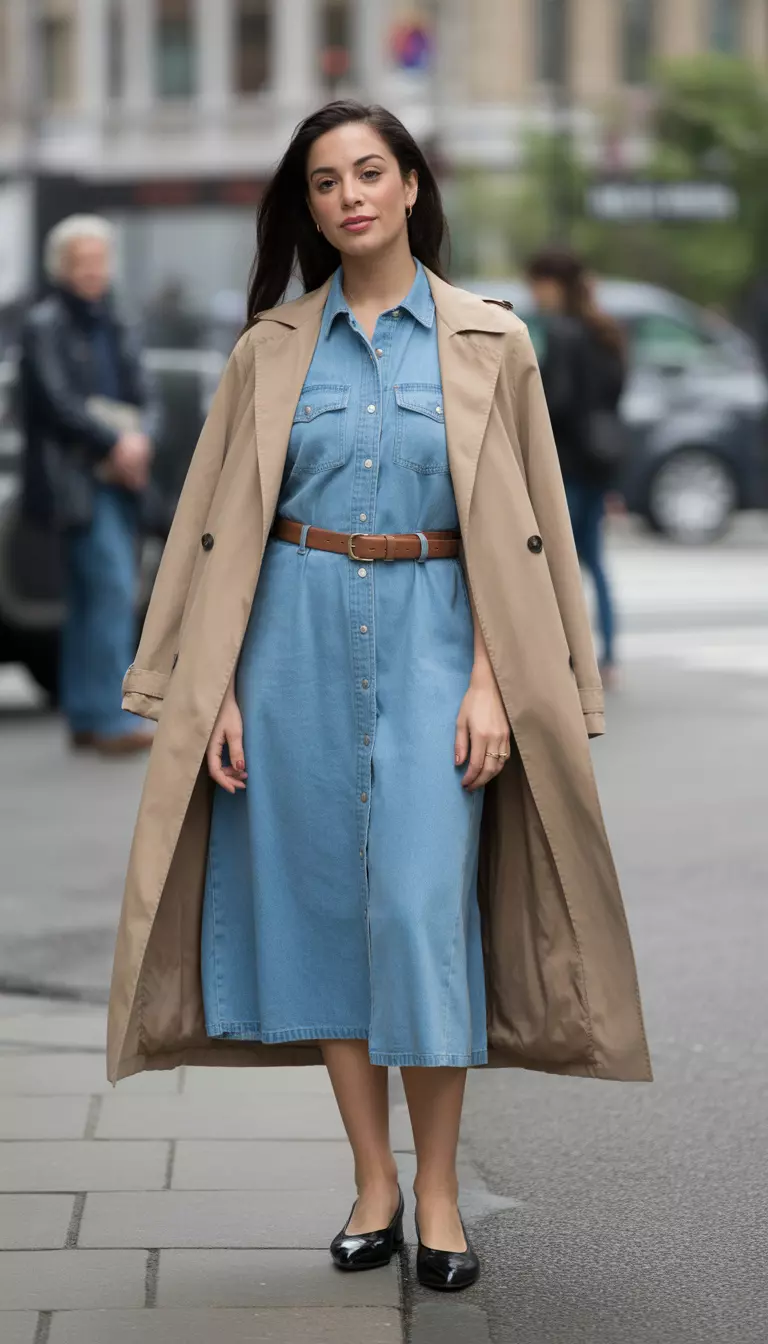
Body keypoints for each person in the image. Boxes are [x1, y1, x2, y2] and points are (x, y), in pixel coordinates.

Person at [106, 102, 651, 1294]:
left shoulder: (490, 343)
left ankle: (442, 1191)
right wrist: (216, 692)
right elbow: (215, 526)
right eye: (322, 181)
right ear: (306, 207)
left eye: (369, 171)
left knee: (415, 916)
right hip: (288, 647)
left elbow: (530, 534)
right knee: (320, 921)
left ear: (410, 186)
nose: (347, 195)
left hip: (438, 645)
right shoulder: (266, 351)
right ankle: (374, 1183)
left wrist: (498, 681)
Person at [20, 215, 160, 754]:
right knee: (108, 593)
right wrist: (114, 443)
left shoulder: (118, 320)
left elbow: (145, 393)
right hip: (77, 479)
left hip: (122, 475)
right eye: (83, 261)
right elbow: (56, 403)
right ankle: (108, 717)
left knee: (93, 596)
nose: (94, 270)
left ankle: (85, 714)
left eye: (100, 260)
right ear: (62, 268)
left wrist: (141, 439)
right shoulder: (45, 323)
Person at [525, 250, 627, 686]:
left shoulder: (562, 333)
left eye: (537, 284)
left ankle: (566, 656)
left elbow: (557, 401)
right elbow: (615, 394)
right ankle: (608, 656)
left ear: (553, 284)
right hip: (599, 462)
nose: (535, 294)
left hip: (565, 463)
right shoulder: (606, 332)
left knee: (558, 562)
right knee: (594, 560)